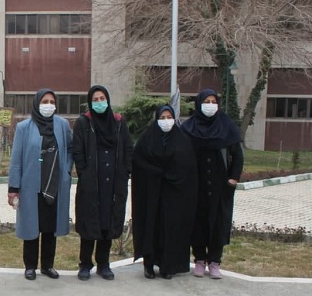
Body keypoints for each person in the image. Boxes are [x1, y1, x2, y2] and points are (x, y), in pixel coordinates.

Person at [8, 89, 73, 280]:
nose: (48, 105)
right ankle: (30, 266)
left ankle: (47, 266)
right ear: (37, 104)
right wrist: (13, 188)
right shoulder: (24, 127)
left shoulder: (62, 125)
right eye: (45, 101)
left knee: (50, 227)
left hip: (55, 183)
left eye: (52, 102)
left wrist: (67, 169)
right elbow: (16, 159)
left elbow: (70, 149)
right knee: (31, 227)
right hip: (31, 186)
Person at [181, 89, 244, 279]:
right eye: (206, 102)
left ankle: (215, 261)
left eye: (213, 101)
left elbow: (237, 155)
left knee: (218, 223)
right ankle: (200, 260)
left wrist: (232, 180)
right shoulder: (189, 127)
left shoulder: (227, 126)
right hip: (196, 185)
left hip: (221, 185)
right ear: (199, 104)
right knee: (198, 222)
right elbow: (181, 154)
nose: (210, 105)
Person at [72, 85, 133, 281]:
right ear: (90, 102)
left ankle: (103, 264)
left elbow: (128, 148)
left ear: (108, 100)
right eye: (95, 99)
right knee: (89, 223)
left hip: (113, 182)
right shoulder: (84, 122)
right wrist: (84, 172)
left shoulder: (118, 122)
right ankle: (85, 264)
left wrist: (125, 171)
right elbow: (77, 150)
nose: (99, 102)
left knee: (107, 222)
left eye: (102, 98)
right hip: (92, 183)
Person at [131, 105, 198, 279]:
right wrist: (155, 173)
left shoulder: (182, 140)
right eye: (162, 118)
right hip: (151, 193)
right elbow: (138, 162)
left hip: (174, 195)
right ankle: (148, 264)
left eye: (169, 117)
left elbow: (188, 167)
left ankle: (168, 266)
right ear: (157, 119)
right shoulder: (147, 139)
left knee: (171, 230)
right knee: (151, 227)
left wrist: (171, 176)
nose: (166, 121)